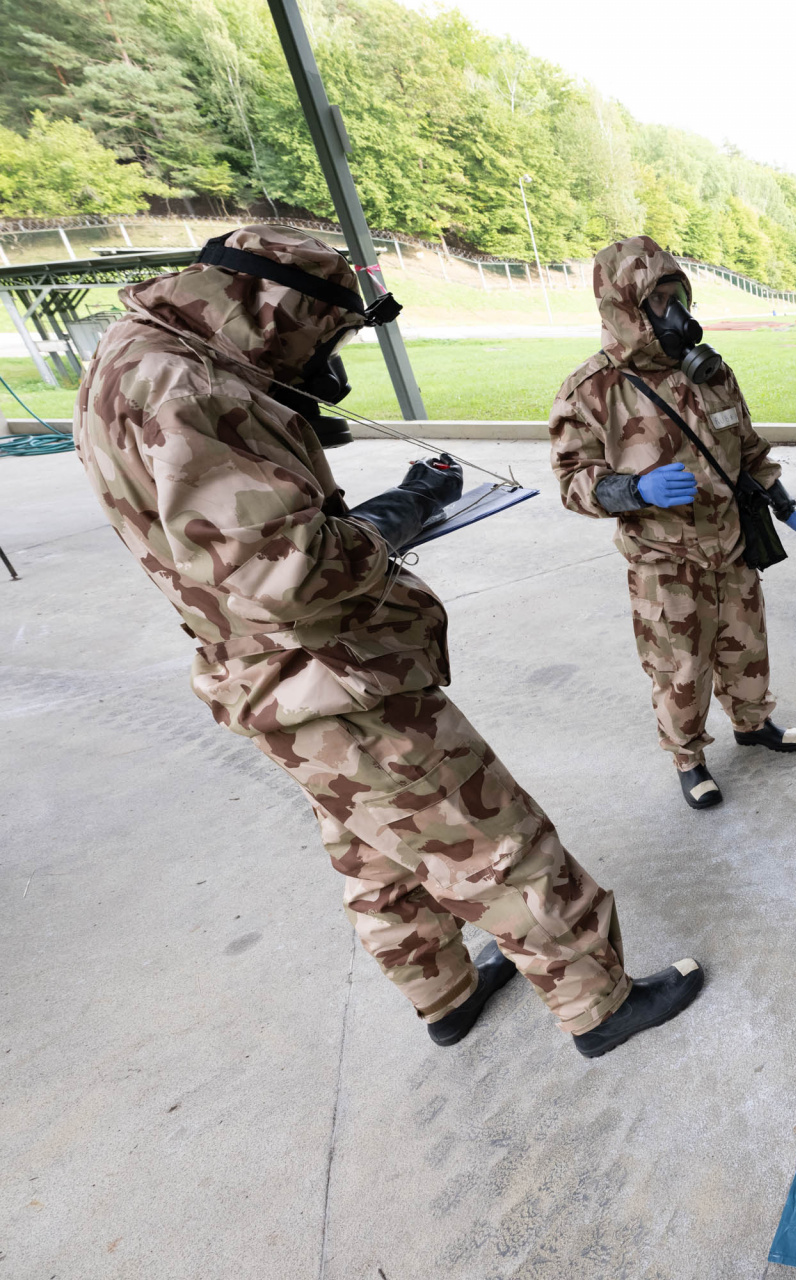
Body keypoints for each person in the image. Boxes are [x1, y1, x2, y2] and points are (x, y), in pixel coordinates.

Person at [71, 226, 702, 1058]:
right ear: (279, 310)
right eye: (325, 337)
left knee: (375, 853)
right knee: (495, 842)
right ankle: (600, 1004)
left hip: (261, 678)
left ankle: (444, 995)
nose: (328, 360)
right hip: (335, 676)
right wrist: (406, 508)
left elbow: (220, 536)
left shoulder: (131, 357)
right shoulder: (187, 389)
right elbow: (293, 569)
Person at [550, 236, 796, 810]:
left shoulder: (712, 372)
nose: (677, 312)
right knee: (680, 666)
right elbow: (573, 481)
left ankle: (753, 724)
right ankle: (688, 758)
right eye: (660, 299)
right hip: (665, 561)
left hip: (732, 545)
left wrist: (788, 507)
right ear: (626, 308)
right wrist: (634, 489)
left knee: (746, 646)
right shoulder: (594, 390)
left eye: (680, 296)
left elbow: (748, 451)